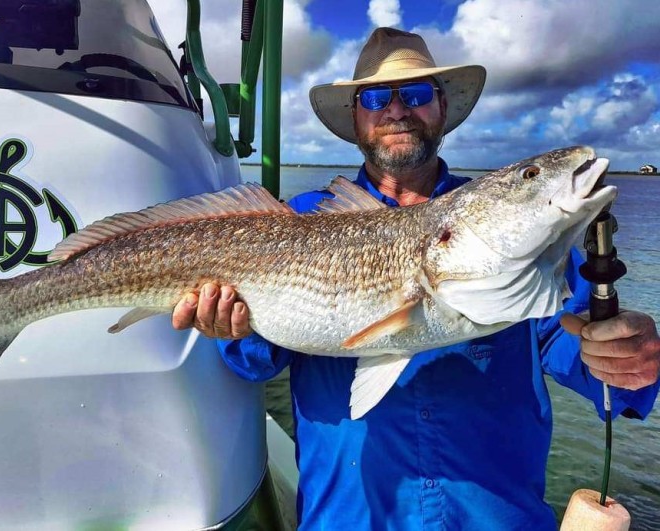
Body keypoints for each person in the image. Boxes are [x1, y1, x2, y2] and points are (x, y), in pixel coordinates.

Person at [172, 28, 660, 529]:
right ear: (356, 116)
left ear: (442, 108)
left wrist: (632, 359)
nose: (398, 109)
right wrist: (232, 328)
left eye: (419, 94)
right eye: (378, 97)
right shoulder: (298, 223)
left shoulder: (533, 246)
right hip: (349, 517)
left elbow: (582, 350)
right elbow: (256, 362)